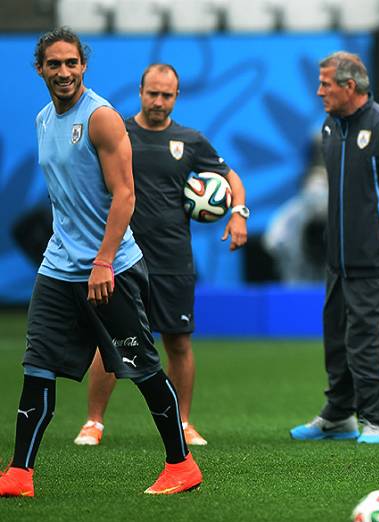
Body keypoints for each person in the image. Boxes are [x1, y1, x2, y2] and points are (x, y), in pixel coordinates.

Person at [0, 28, 200, 497]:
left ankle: (181, 465)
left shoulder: (102, 118)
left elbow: (125, 194)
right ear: (40, 69)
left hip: (112, 269)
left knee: (142, 367)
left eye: (72, 63)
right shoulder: (43, 119)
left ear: (83, 66)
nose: (64, 72)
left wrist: (104, 261)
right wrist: (71, 255)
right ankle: (19, 474)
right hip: (57, 269)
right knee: (37, 365)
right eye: (55, 64)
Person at [72, 64, 249, 449]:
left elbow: (231, 178)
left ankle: (183, 422)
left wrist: (238, 213)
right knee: (113, 342)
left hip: (173, 261)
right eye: (152, 93)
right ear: (140, 91)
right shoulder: (118, 133)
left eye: (166, 95)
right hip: (122, 258)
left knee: (179, 342)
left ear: (176, 97)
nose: (158, 101)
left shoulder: (191, 140)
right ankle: (93, 422)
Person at [289, 52, 379, 444]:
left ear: (349, 87)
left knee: (369, 339)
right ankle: (338, 416)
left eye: (326, 84)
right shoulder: (330, 126)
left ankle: (375, 420)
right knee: (336, 338)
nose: (319, 91)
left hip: (377, 257)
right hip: (337, 258)